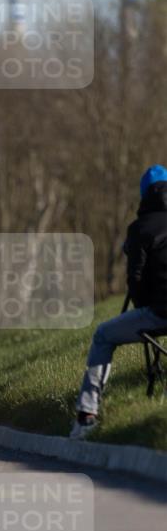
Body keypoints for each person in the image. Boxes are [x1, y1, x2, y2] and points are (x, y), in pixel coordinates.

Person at [70, 165, 167, 439]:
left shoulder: (139, 228)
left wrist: (143, 306)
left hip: (159, 313)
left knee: (103, 335)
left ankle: (87, 416)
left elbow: (135, 279)